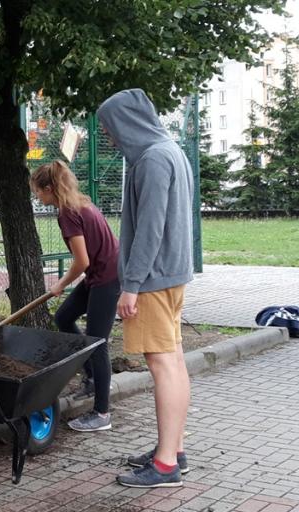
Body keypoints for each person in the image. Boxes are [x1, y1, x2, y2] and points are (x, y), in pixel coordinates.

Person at [97, 89, 194, 488]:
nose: (112, 138)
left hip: (153, 279)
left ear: (128, 122)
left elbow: (151, 228)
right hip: (171, 274)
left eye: (111, 128)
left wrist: (131, 285)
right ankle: (173, 450)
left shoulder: (153, 159)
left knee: (162, 365)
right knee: (174, 361)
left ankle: (167, 465)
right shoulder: (169, 150)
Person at [30, 160, 120, 432]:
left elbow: (81, 260)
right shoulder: (79, 203)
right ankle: (93, 378)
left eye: (37, 191)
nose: (36, 196)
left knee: (97, 342)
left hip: (108, 276)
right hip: (100, 273)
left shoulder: (68, 213)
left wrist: (61, 284)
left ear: (49, 188)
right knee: (64, 316)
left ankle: (102, 413)